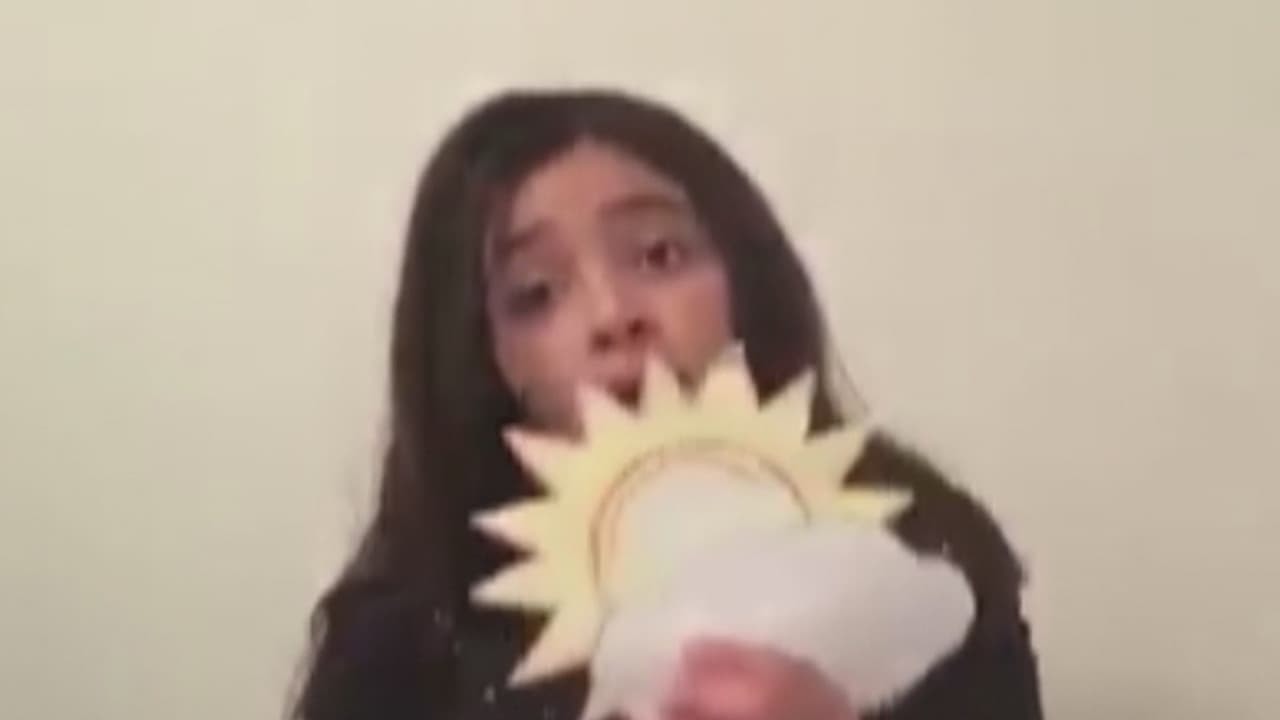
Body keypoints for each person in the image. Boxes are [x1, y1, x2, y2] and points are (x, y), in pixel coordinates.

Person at [294, 89, 1043, 720]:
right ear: (481, 358)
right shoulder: (403, 629)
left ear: (745, 280)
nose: (613, 315)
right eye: (535, 294)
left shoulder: (925, 545)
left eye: (660, 255)